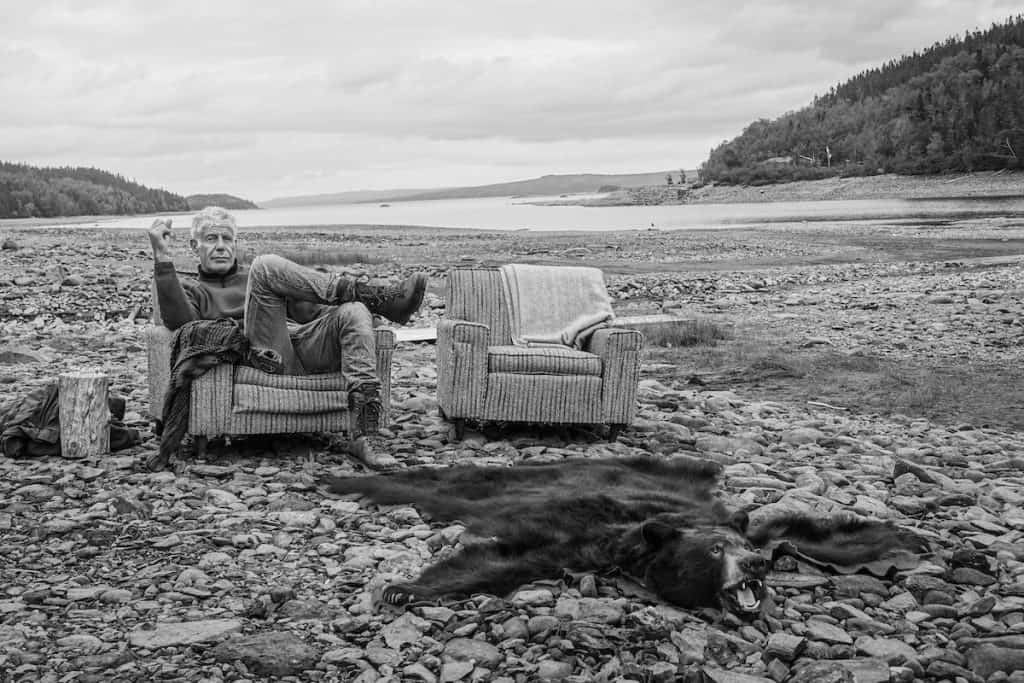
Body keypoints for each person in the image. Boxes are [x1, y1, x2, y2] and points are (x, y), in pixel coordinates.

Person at [148, 206, 426, 468]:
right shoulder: (194, 288)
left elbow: (314, 310)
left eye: (227, 238)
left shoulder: (267, 281)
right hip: (260, 355)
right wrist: (161, 256)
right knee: (265, 265)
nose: (221, 245)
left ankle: (366, 434)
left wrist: (364, 320)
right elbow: (183, 326)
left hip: (301, 346)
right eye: (211, 238)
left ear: (234, 244)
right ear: (195, 247)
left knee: (353, 310)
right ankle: (379, 297)